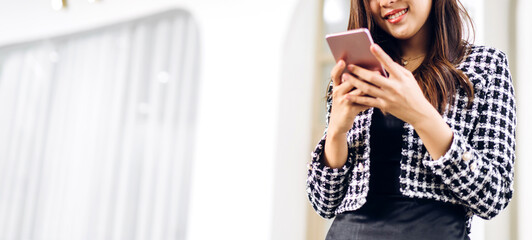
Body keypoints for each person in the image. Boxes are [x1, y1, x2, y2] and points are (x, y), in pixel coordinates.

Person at [306, 0, 516, 239]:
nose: (386, 1)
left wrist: (420, 115)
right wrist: (336, 131)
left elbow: (493, 198)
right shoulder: (358, 72)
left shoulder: (486, 66)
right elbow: (323, 203)